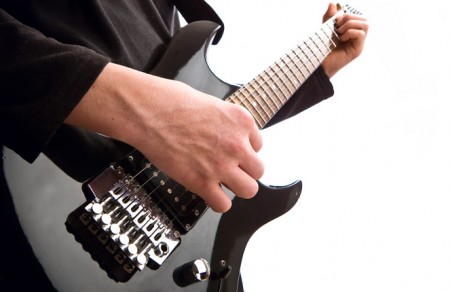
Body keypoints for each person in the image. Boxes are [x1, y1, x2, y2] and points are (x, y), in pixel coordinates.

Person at [0, 1, 368, 291]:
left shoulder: (179, 20)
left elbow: (202, 128)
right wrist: (147, 113)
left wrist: (315, 72)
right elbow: (168, 120)